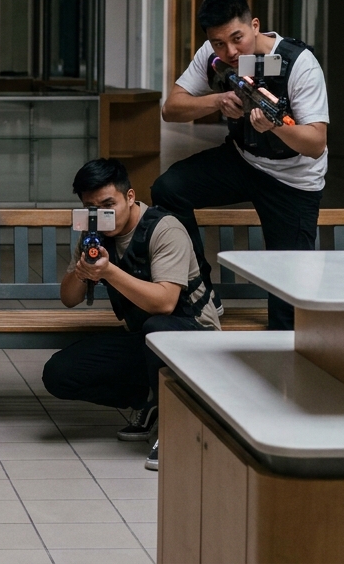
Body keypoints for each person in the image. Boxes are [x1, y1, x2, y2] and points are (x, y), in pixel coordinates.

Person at [153, 0, 329, 331]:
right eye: (219, 43)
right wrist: (218, 100)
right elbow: (170, 108)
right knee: (168, 189)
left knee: (286, 313)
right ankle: (200, 290)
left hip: (293, 180)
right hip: (243, 159)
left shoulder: (300, 63)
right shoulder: (214, 52)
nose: (230, 52)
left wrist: (275, 125)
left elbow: (316, 144)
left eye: (237, 39)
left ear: (255, 26)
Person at [41, 158, 221, 472]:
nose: (102, 214)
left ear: (129, 196)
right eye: (92, 207)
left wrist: (108, 271)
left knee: (157, 327)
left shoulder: (164, 228)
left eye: (109, 204)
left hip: (192, 333)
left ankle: (173, 430)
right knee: (60, 373)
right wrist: (83, 271)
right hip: (146, 337)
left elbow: (165, 303)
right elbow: (69, 298)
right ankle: (149, 401)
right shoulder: (93, 230)